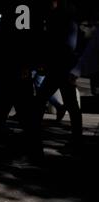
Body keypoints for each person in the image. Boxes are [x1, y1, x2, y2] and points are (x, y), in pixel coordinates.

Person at [0, 0, 46, 164]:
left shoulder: (18, 7)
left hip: (12, 67)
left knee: (0, 113)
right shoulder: (28, 7)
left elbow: (16, 37)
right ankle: (35, 153)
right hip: (16, 66)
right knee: (20, 114)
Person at [36, 0, 82, 146]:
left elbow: (65, 45)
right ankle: (76, 137)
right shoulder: (62, 17)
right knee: (70, 104)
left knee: (43, 98)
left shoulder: (62, 18)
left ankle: (34, 133)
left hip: (60, 67)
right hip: (61, 67)